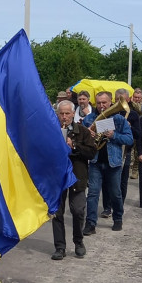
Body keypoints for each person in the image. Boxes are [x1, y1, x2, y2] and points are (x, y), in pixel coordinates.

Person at [82, 91, 133, 235]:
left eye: (104, 102)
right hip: (95, 161)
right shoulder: (89, 119)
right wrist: (87, 136)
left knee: (115, 193)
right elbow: (81, 142)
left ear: (111, 102)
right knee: (92, 193)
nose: (102, 106)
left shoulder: (119, 119)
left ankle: (118, 218)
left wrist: (113, 135)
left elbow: (129, 140)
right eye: (98, 103)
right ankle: (90, 223)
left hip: (114, 162)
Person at [51, 101, 96, 259]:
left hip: (77, 177)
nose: (64, 117)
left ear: (72, 114)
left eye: (67, 114)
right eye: (61, 114)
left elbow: (91, 153)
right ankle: (60, 247)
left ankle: (78, 242)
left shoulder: (82, 131)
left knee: (77, 210)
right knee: (57, 213)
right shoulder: (53, 130)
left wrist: (74, 146)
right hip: (58, 178)